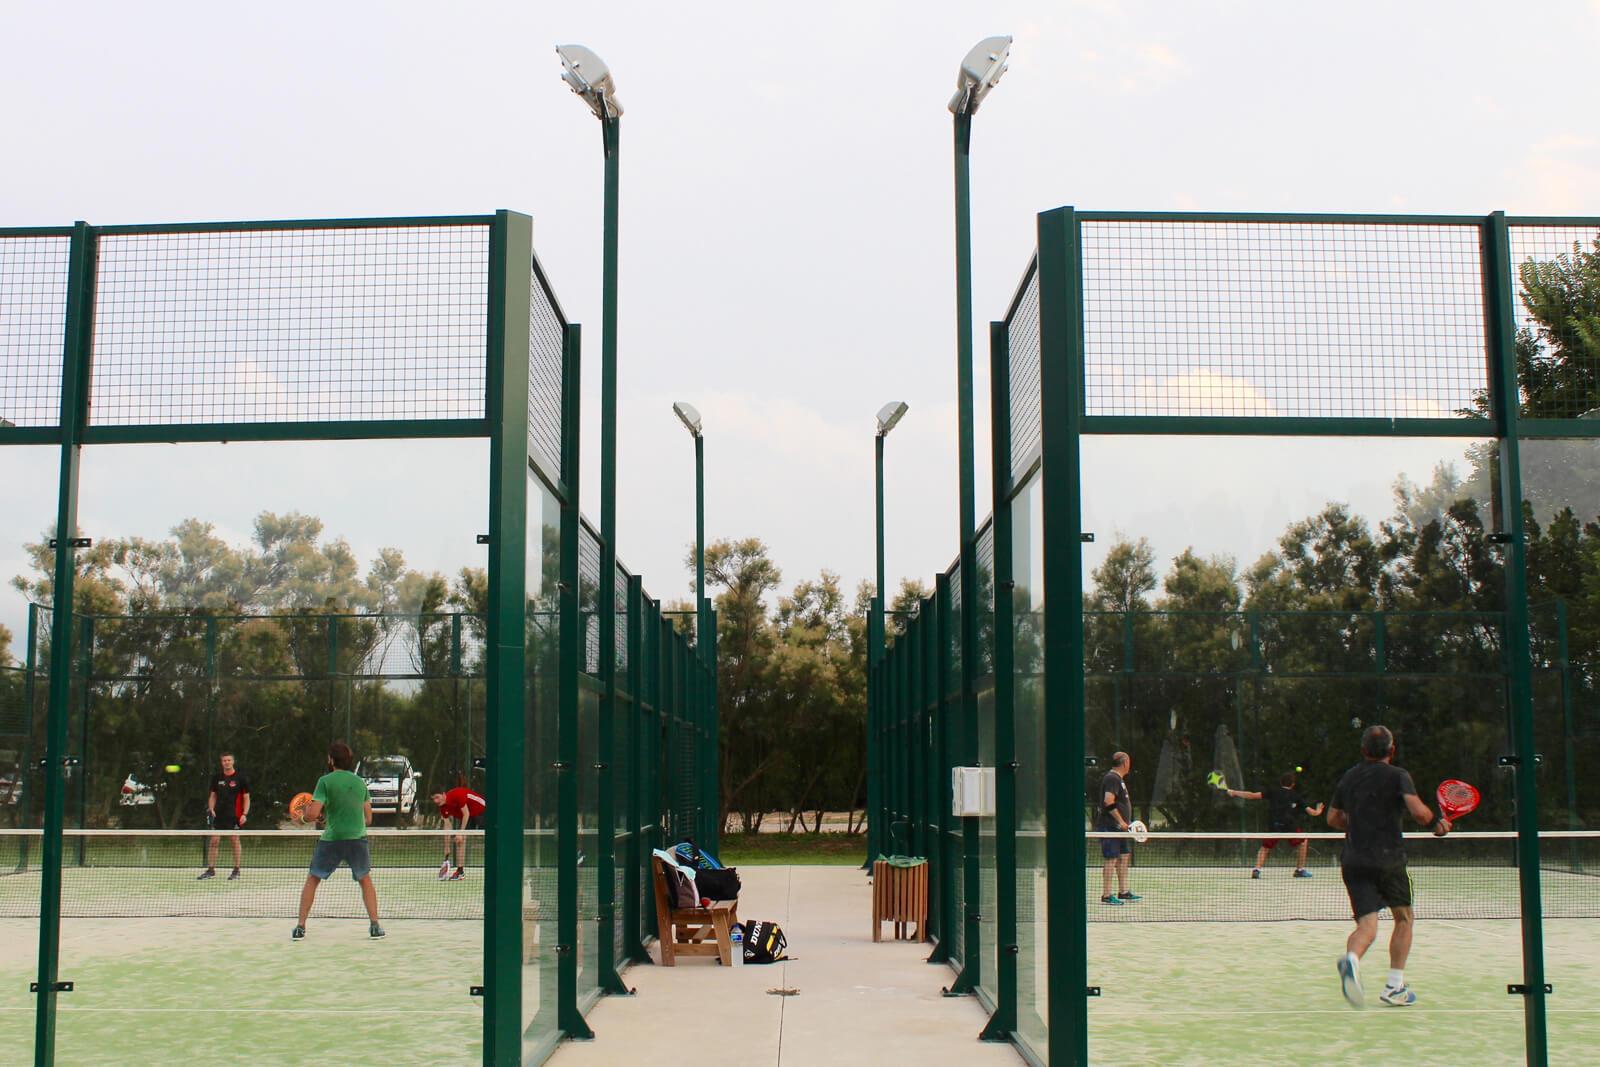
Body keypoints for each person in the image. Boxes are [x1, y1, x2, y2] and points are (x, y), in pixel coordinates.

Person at [1327, 725, 1450, 1008]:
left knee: (1367, 926)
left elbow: (1333, 818)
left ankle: (1352, 959)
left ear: (1363, 751)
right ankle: (1395, 986)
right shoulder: (1398, 776)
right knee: (1404, 917)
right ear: (1392, 751)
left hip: (1354, 860)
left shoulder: (1349, 777)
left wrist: (1358, 822)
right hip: (1388, 859)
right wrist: (1437, 825)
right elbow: (1419, 812)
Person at [293, 741, 384, 941]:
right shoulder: (360, 783)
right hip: (357, 839)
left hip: (332, 840)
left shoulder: (325, 781)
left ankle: (300, 927)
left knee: (313, 879)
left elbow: (313, 814)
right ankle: (375, 925)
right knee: (365, 880)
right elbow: (368, 818)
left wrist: (301, 816)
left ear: (332, 760)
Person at [1226, 770, 1325, 878]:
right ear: (1293, 784)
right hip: (1289, 826)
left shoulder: (1273, 791)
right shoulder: (1296, 796)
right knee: (1303, 841)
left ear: (1281, 782)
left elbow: (1252, 795)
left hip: (1274, 825)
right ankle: (1299, 870)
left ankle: (1257, 870)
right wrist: (1318, 811)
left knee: (1265, 847)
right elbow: (1312, 812)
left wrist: (1235, 792)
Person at [1095, 751, 1141, 906]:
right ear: (1125, 762)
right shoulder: (1112, 778)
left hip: (1120, 829)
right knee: (1111, 859)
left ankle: (1123, 891)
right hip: (1110, 826)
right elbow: (1108, 801)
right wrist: (1121, 821)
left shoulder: (1119, 779)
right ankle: (1106, 895)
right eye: (1129, 761)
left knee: (1124, 856)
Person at [199, 752, 249, 881]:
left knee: (234, 840)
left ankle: (236, 870)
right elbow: (213, 795)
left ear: (233, 761)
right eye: (224, 760)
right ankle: (211, 870)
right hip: (219, 815)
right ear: (221, 762)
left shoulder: (240, 778)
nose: (226, 762)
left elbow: (246, 797)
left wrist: (244, 814)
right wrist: (211, 809)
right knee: (214, 841)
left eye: (229, 760)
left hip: (235, 815)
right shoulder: (217, 778)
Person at [432, 773, 486, 881]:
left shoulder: (456, 795)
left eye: (437, 797)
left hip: (482, 810)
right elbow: (447, 826)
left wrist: (460, 832)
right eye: (433, 799)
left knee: (495, 836)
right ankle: (460, 871)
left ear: (443, 794)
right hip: (470, 815)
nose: (436, 801)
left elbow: (466, 813)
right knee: (460, 840)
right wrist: (447, 847)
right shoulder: (443, 808)